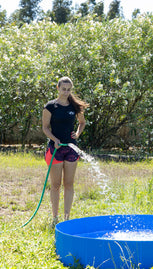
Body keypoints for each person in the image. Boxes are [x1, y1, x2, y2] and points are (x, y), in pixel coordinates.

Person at [42, 76, 89, 227]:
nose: (66, 92)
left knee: (69, 184)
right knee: (56, 185)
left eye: (69, 90)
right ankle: (55, 218)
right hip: (55, 149)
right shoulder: (50, 106)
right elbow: (45, 127)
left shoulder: (74, 107)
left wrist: (78, 133)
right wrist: (54, 139)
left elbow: (82, 123)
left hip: (71, 149)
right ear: (58, 88)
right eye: (63, 89)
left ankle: (67, 218)